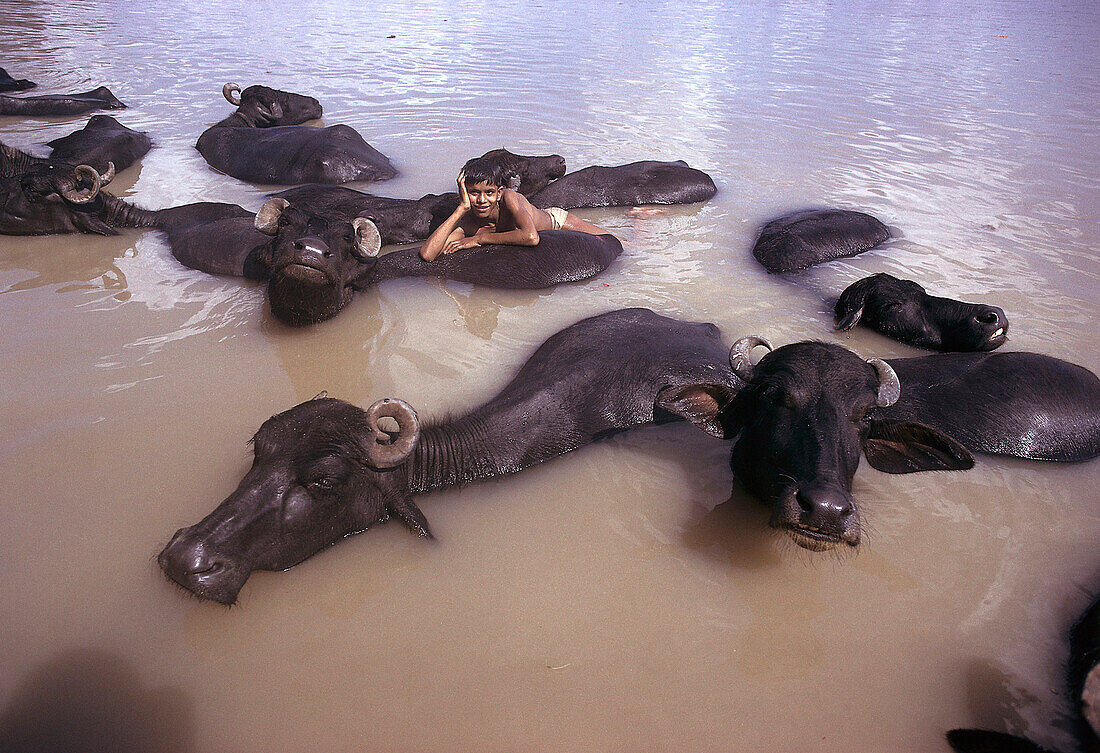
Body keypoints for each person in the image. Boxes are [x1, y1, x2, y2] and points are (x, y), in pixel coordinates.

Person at [419, 157, 612, 262]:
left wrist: (479, 239)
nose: (482, 200)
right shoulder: (467, 222)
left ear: (499, 192)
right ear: (464, 193)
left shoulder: (509, 198)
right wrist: (461, 209)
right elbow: (428, 254)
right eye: (474, 193)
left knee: (617, 242)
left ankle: (639, 218)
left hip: (556, 222)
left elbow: (531, 237)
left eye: (489, 192)